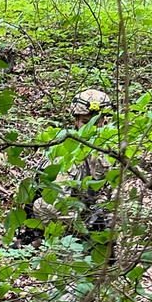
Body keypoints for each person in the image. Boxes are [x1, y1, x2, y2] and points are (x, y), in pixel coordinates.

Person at [26, 88, 115, 242]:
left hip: (89, 215)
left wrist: (104, 217)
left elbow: (112, 190)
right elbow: (54, 204)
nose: (91, 128)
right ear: (76, 122)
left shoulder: (109, 150)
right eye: (85, 122)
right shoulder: (67, 154)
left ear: (104, 122)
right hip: (67, 222)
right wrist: (83, 232)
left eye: (97, 122)